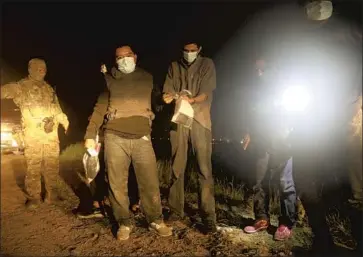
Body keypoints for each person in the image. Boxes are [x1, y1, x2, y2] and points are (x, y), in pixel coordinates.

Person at [84, 45, 172, 241]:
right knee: (116, 183)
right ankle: (124, 222)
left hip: (142, 137)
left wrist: (164, 100)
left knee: (150, 181)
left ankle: (155, 219)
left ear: (135, 56)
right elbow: (99, 108)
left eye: (127, 56)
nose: (124, 59)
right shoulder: (109, 80)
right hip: (114, 137)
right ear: (115, 60)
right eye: (119, 57)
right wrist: (90, 134)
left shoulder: (147, 78)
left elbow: (156, 103)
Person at [162, 41, 217, 233]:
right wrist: (169, 97)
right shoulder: (174, 66)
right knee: (177, 165)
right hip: (178, 120)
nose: (189, 53)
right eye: (186, 50)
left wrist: (190, 99)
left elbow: (206, 93)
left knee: (204, 168)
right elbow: (166, 93)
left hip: (200, 120)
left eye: (193, 51)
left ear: (200, 50)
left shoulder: (207, 64)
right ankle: (176, 209)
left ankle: (208, 215)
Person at [1, 58, 69, 209]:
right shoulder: (21, 87)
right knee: (33, 166)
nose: (42, 70)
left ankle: (51, 195)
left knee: (52, 165)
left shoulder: (49, 88)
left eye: (44, 68)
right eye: (38, 67)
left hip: (51, 134)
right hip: (33, 134)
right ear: (31, 69)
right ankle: (34, 197)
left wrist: (64, 119)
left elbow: (57, 109)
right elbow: (4, 91)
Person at [242, 59, 297, 241]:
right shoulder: (257, 90)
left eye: (262, 68)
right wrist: (249, 133)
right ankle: (262, 218)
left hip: (283, 140)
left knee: (284, 183)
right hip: (261, 140)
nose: (259, 72)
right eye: (256, 69)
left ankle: (286, 223)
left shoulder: (286, 86)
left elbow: (297, 113)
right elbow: (252, 113)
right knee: (259, 181)